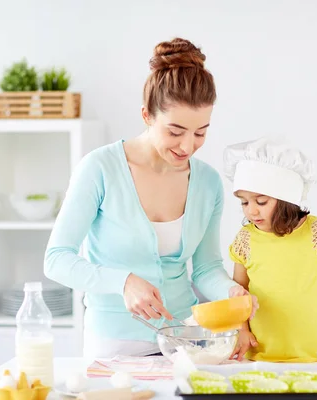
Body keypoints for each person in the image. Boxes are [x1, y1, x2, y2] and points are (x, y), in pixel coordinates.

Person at [44, 37, 254, 359]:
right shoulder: (99, 169)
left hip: (186, 338)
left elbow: (205, 268)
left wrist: (231, 292)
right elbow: (57, 259)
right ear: (146, 115)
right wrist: (123, 282)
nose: (187, 146)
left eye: (200, 133)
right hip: (114, 343)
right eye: (175, 131)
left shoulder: (208, 183)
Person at [224, 138, 317, 363]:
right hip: (261, 356)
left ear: (287, 199)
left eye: (261, 201)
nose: (252, 211)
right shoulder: (245, 239)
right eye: (244, 203)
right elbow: (240, 291)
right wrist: (242, 330)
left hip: (314, 355)